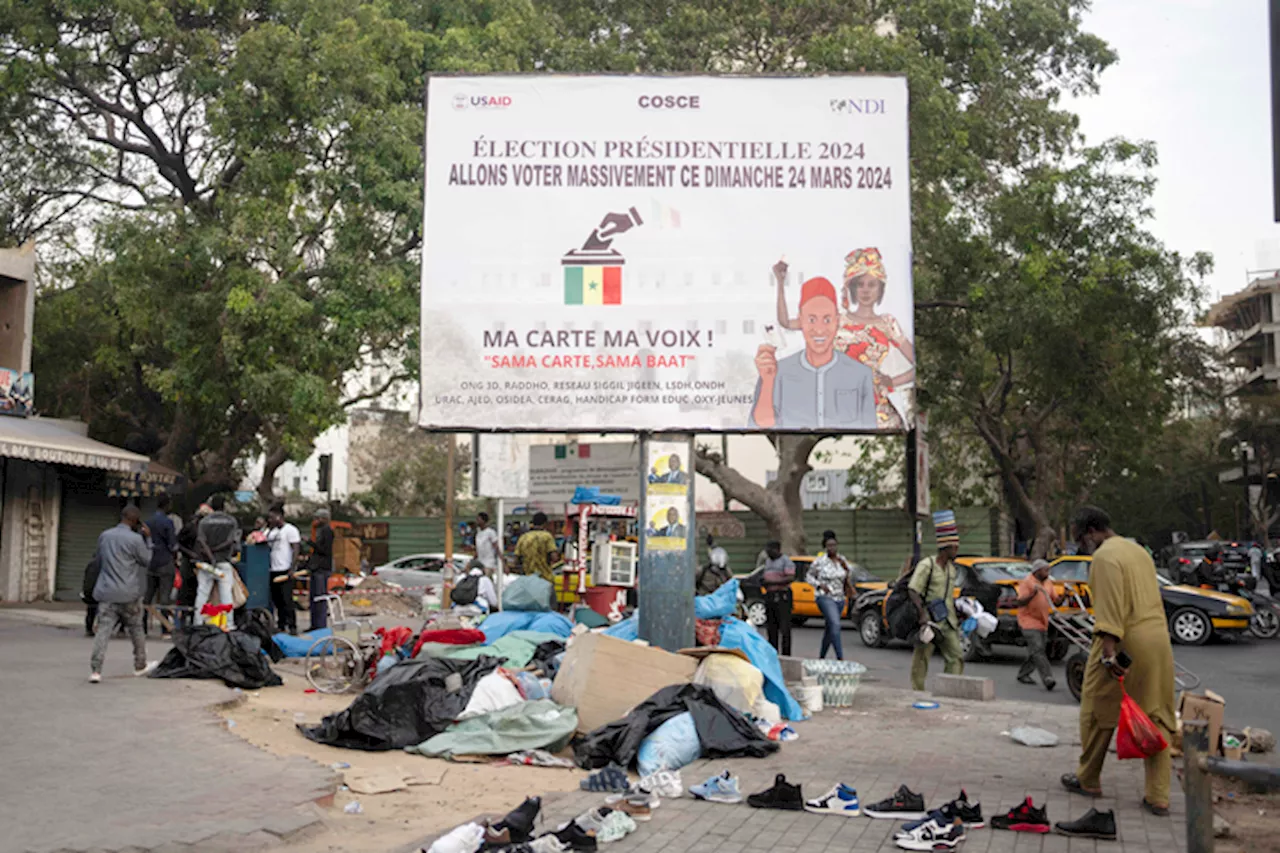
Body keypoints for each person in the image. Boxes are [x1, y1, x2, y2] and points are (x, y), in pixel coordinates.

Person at [1060, 506, 1176, 817]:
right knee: (1158, 715)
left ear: (1091, 532)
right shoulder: (1138, 551)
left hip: (1124, 640)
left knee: (1097, 709)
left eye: (1080, 539)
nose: (1081, 546)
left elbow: (1110, 612)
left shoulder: (1105, 557)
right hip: (1158, 639)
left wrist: (1110, 656)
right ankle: (1158, 796)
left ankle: (1088, 778)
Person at [775, 250, 915, 429]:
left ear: (880, 289)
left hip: (878, 412)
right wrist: (780, 283)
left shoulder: (887, 323)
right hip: (837, 406)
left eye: (871, 285)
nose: (865, 290)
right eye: (860, 285)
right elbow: (786, 322)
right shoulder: (837, 319)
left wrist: (893, 382)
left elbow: (916, 364)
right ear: (852, 289)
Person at [751, 276, 876, 429]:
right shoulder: (777, 372)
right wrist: (768, 381)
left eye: (827, 319)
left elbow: (871, 433)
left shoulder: (860, 374)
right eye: (811, 319)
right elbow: (761, 426)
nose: (819, 329)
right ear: (800, 320)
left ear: (837, 320)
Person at [89, 506, 157, 682]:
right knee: (136, 629)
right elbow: (147, 560)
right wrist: (148, 539)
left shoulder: (105, 536)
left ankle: (96, 670)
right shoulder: (136, 540)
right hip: (129, 593)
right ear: (136, 522)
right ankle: (140, 665)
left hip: (106, 592)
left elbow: (98, 559)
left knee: (103, 631)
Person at [908, 511, 964, 691]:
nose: (957, 550)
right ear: (945, 548)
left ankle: (950, 688)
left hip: (948, 620)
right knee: (922, 657)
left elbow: (949, 595)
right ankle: (917, 691)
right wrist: (922, 615)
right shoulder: (927, 565)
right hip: (930, 620)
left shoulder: (951, 569)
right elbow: (913, 590)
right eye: (954, 547)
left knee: (956, 656)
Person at [1013, 559, 1061, 690]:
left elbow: (1055, 601)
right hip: (1028, 620)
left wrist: (1063, 598)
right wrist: (1032, 594)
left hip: (1042, 621)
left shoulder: (1048, 582)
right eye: (1045, 570)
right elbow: (1020, 602)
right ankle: (1048, 678)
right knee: (1038, 649)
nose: (1048, 572)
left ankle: (1023, 674)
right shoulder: (1028, 582)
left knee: (1037, 651)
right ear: (1037, 571)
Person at [195, 495, 240, 630]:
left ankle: (198, 623)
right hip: (224, 561)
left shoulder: (204, 522)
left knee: (202, 593)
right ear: (223, 506)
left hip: (207, 563)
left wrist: (210, 554)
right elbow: (231, 541)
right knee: (226, 595)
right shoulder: (231, 521)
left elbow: (201, 541)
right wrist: (217, 550)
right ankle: (229, 624)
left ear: (211, 507)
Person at [808, 535, 855, 660]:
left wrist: (845, 568)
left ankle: (821, 657)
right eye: (829, 545)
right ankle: (840, 658)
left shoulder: (841, 560)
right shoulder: (819, 561)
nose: (832, 548)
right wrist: (819, 585)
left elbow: (848, 574)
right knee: (835, 624)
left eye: (834, 545)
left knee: (830, 628)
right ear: (825, 547)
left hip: (840, 598)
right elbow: (809, 577)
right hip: (825, 597)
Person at [143, 493, 179, 636]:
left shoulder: (148, 521)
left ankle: (143, 627)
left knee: (148, 596)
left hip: (151, 562)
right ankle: (165, 630)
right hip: (165, 562)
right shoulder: (167, 523)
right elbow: (173, 545)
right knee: (164, 598)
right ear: (167, 505)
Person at [266, 506, 301, 634]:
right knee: (277, 600)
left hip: (285, 569)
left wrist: (292, 568)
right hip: (272, 569)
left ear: (279, 517)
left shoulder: (290, 530)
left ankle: (292, 626)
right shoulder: (272, 532)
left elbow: (296, 549)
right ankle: (281, 624)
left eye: (271, 517)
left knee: (287, 600)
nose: (269, 520)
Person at [759, 540, 796, 656]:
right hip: (770, 596)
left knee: (784, 628)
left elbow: (790, 577)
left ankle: (786, 655)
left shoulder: (786, 561)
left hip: (782, 596)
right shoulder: (768, 562)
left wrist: (772, 582)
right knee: (771, 628)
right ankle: (773, 654)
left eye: (770, 551)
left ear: (778, 550)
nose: (768, 553)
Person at [513, 512, 563, 583]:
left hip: (528, 579)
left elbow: (516, 561)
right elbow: (554, 557)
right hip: (545, 579)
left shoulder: (523, 537)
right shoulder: (547, 536)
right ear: (545, 523)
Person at [307, 508, 335, 630]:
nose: (315, 521)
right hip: (316, 568)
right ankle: (314, 625)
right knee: (313, 598)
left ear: (324, 519)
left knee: (320, 598)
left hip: (322, 569)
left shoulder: (327, 531)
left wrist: (311, 543)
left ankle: (320, 626)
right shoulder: (320, 530)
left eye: (317, 518)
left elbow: (325, 551)